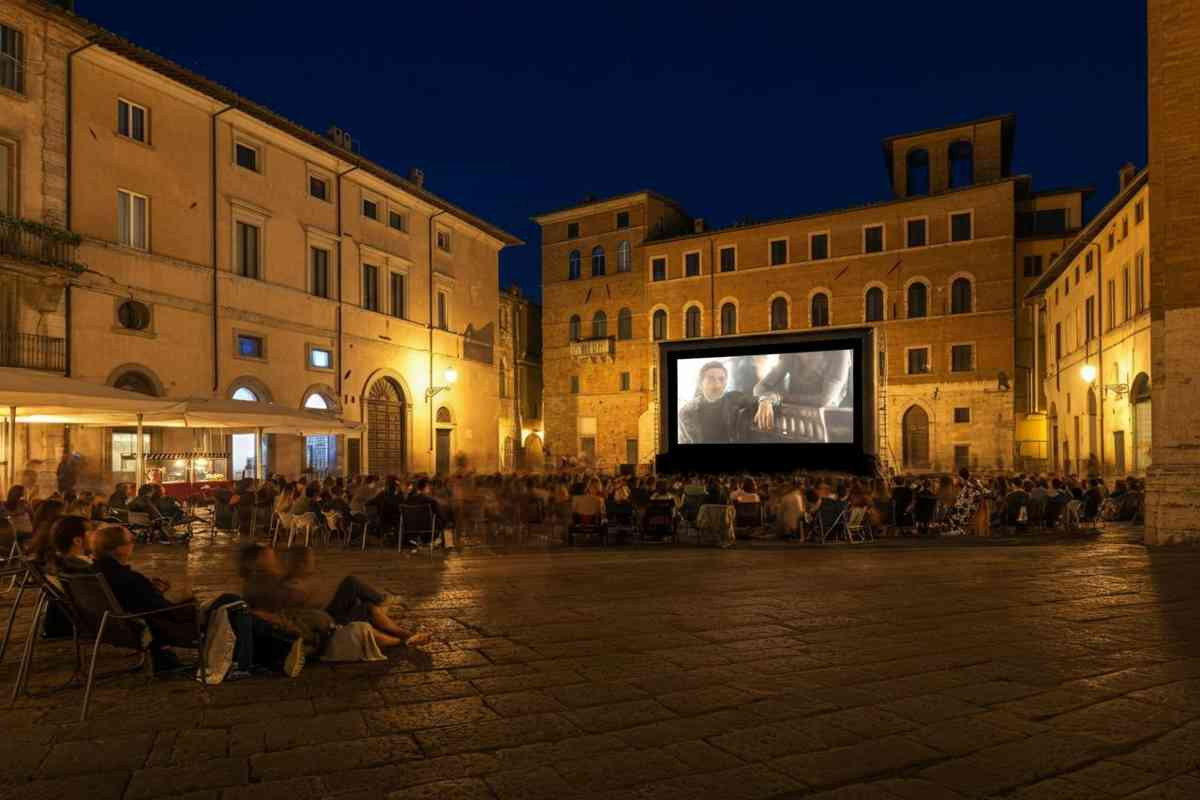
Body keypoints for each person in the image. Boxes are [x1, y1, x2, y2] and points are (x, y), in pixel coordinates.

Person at [280, 548, 429, 648]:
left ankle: (405, 634)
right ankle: (384, 604)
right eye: (311, 560)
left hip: (329, 614)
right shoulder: (293, 587)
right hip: (329, 620)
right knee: (351, 584)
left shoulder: (298, 581)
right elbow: (310, 609)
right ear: (300, 565)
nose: (314, 562)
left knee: (367, 606)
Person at [752, 350, 853, 442]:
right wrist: (765, 399)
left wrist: (777, 398)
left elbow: (825, 399)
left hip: (826, 427)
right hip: (792, 423)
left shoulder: (840, 352)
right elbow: (759, 388)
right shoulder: (791, 353)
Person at [677, 361, 759, 444]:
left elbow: (756, 400)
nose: (717, 385)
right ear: (701, 383)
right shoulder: (687, 412)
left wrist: (764, 401)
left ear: (726, 383)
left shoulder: (735, 398)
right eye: (711, 379)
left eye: (721, 379)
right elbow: (684, 441)